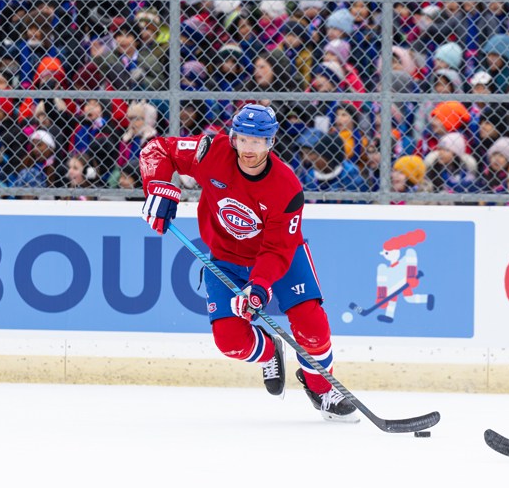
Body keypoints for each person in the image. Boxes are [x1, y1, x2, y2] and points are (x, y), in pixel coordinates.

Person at [139, 103, 359, 423]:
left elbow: (277, 249)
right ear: (233, 137)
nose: (248, 148)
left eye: (257, 141)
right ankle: (270, 351)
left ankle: (322, 390)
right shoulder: (210, 152)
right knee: (229, 341)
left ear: (271, 142)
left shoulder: (287, 188)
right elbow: (157, 149)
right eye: (242, 139)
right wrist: (157, 187)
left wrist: (259, 287)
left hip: (279, 257)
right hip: (225, 258)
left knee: (311, 324)